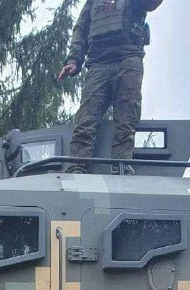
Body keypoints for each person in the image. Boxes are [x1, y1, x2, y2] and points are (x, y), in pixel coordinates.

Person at [58, 0, 164, 174]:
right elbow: (81, 29)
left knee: (126, 117)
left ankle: (121, 166)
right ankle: (77, 166)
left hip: (128, 58)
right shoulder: (93, 2)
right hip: (98, 63)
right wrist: (74, 59)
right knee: (85, 119)